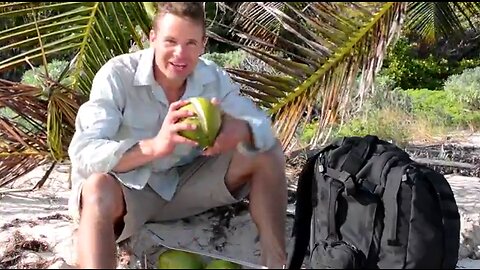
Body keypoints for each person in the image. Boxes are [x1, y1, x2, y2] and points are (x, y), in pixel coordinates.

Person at [67, 2, 288, 269]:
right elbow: (84, 153)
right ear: (152, 39)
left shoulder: (212, 79)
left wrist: (238, 130)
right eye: (170, 41)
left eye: (191, 43)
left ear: (203, 44)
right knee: (97, 187)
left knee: (266, 150)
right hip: (130, 194)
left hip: (185, 187)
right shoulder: (117, 75)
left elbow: (262, 126)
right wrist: (154, 147)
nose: (180, 54)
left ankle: (276, 261)